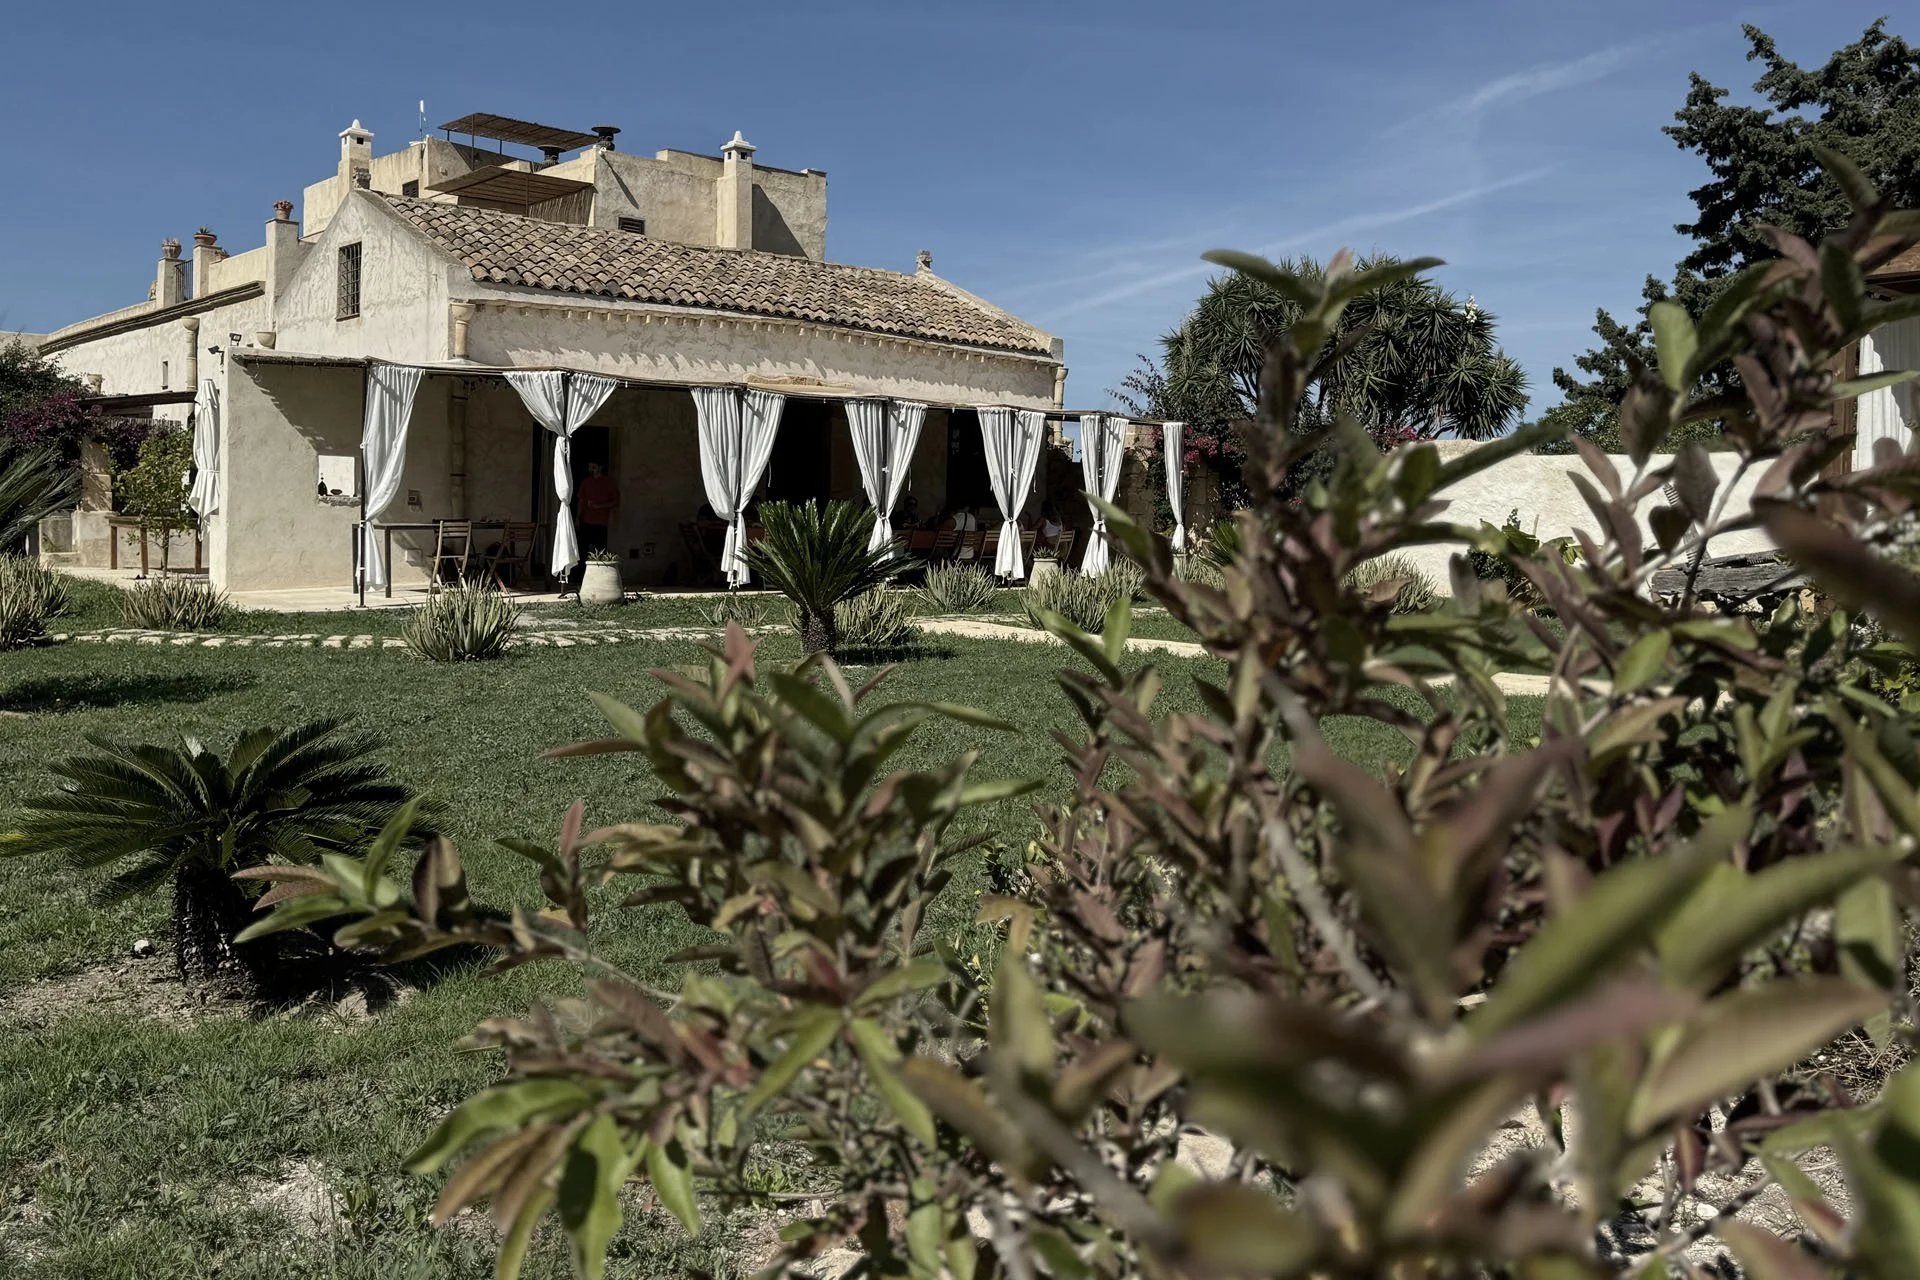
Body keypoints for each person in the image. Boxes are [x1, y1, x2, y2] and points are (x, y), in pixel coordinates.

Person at [577, 461, 619, 555]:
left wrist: (599, 506)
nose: (591, 470)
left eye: (593, 467)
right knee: (584, 547)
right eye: (589, 467)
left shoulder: (608, 483)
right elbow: (580, 500)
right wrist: (578, 517)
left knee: (599, 548)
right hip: (586, 519)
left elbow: (615, 501)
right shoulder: (586, 482)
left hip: (601, 521)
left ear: (600, 468)